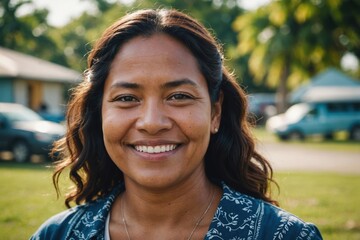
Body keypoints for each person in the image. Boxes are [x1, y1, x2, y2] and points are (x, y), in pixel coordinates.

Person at [30, 9, 322, 240]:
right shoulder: (56, 235)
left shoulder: (284, 236)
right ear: (100, 114)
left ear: (215, 113)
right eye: (127, 98)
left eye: (179, 96)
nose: (152, 123)